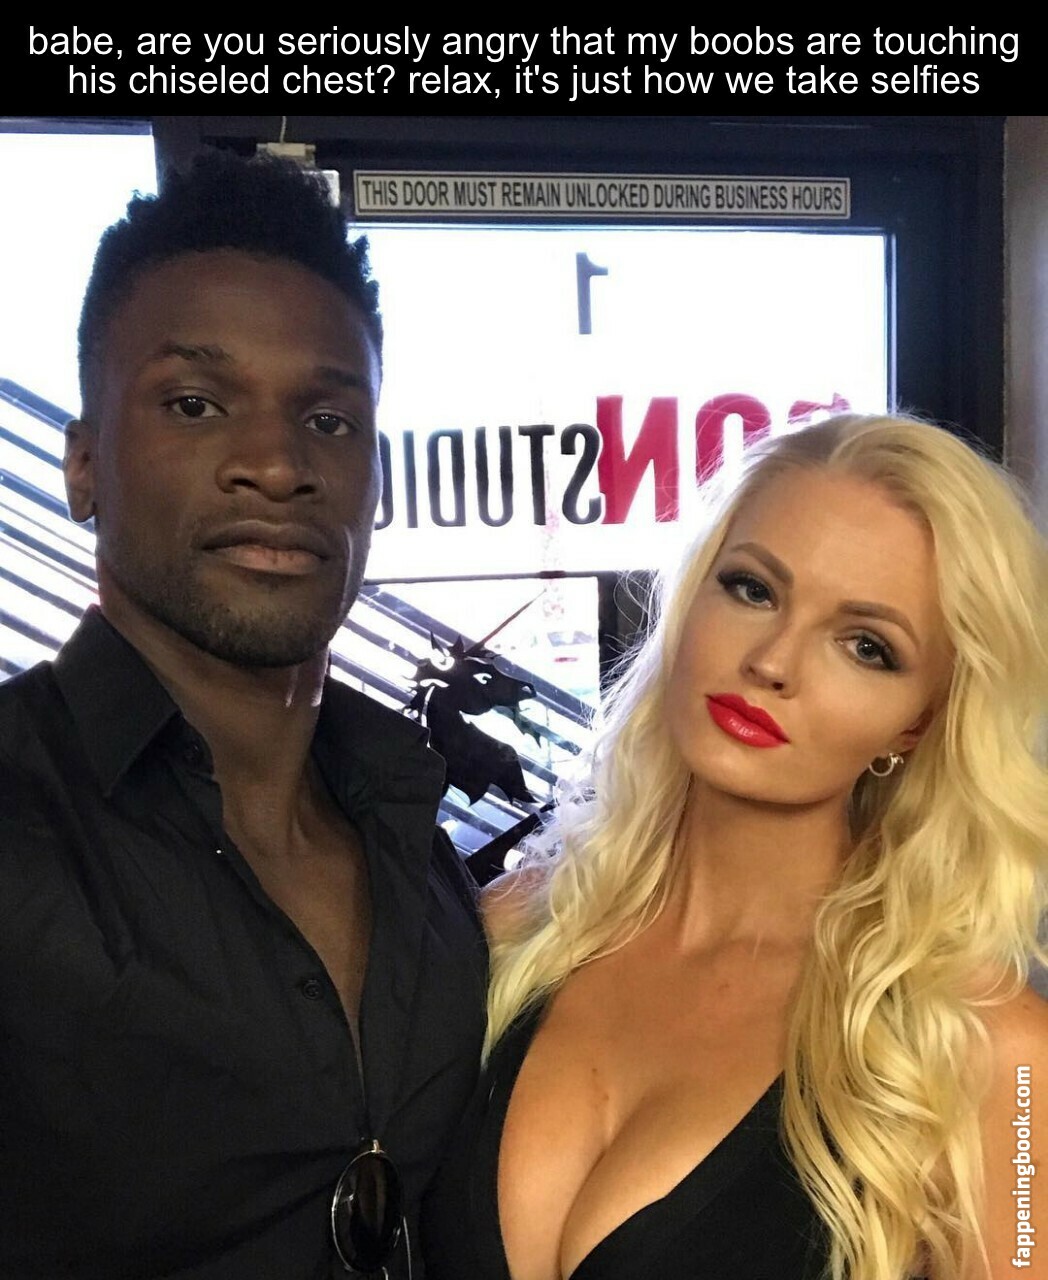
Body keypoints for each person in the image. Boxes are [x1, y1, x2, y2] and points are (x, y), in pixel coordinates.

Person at [0, 152, 487, 1279]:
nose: (276, 464)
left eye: (329, 419)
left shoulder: (415, 842)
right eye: (195, 404)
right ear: (84, 464)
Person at [422, 414, 1048, 1280]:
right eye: (752, 589)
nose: (774, 661)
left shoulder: (993, 1054)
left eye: (866, 646)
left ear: (917, 722)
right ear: (691, 597)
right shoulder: (513, 932)